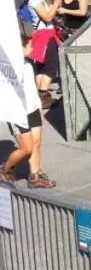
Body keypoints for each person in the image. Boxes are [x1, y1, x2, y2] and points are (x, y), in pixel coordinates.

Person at [1, 33, 55, 189]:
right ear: (20, 48)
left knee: (37, 143)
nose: (32, 47)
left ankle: (35, 176)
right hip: (18, 113)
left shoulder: (28, 64)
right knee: (26, 148)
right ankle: (5, 169)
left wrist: (37, 104)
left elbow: (31, 88)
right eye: (29, 45)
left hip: (32, 109)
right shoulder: (7, 68)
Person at [18, 0, 61, 104]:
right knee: (52, 64)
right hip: (45, 36)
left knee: (42, 65)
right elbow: (48, 17)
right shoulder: (35, 1)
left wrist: (54, 3)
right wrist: (56, 4)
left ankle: (41, 94)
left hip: (42, 35)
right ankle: (43, 93)